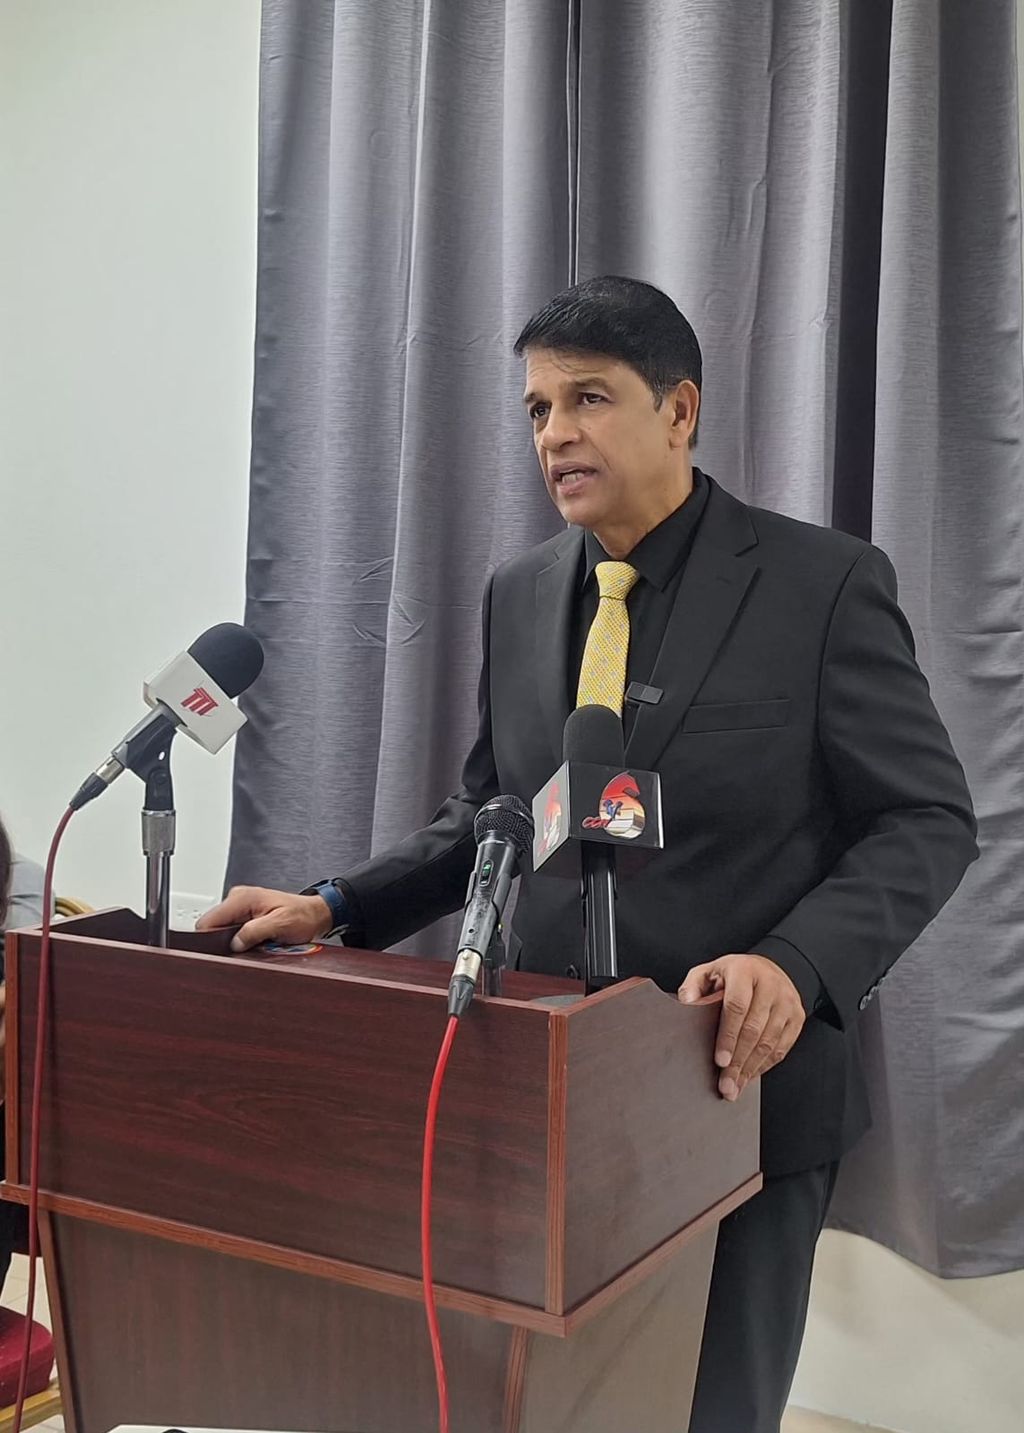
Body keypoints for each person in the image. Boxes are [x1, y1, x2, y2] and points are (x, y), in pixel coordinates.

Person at [200, 276, 978, 1432]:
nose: (554, 432)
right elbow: (493, 812)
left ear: (679, 411)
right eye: (536, 408)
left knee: (710, 1407)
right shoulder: (519, 594)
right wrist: (335, 903)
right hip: (545, 1079)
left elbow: (925, 817)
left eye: (588, 398)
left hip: (734, 1088)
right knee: (550, 1400)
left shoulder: (820, 585)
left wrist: (795, 963)